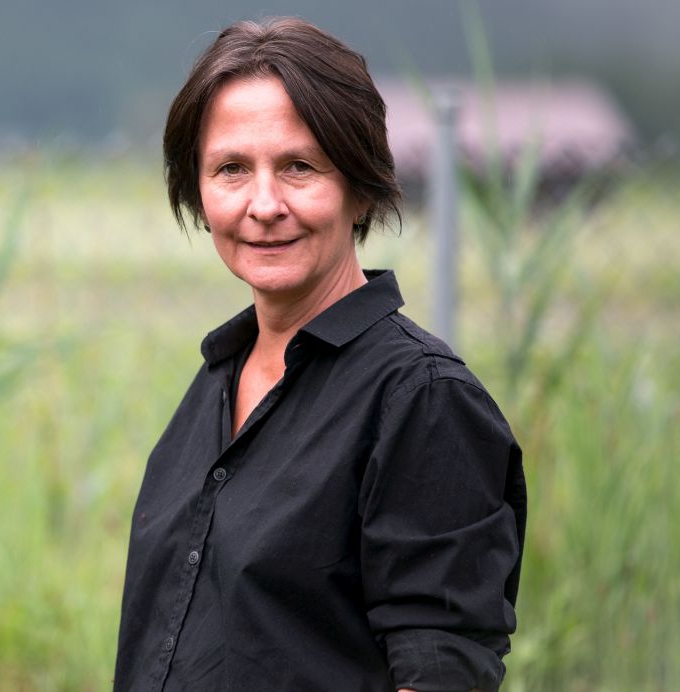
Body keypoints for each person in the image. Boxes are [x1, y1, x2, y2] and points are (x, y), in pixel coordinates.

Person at [114, 18, 526, 692]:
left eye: (299, 167)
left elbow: (441, 666)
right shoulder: (219, 379)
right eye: (231, 169)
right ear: (199, 192)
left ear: (361, 186)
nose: (264, 204)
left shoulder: (421, 400)